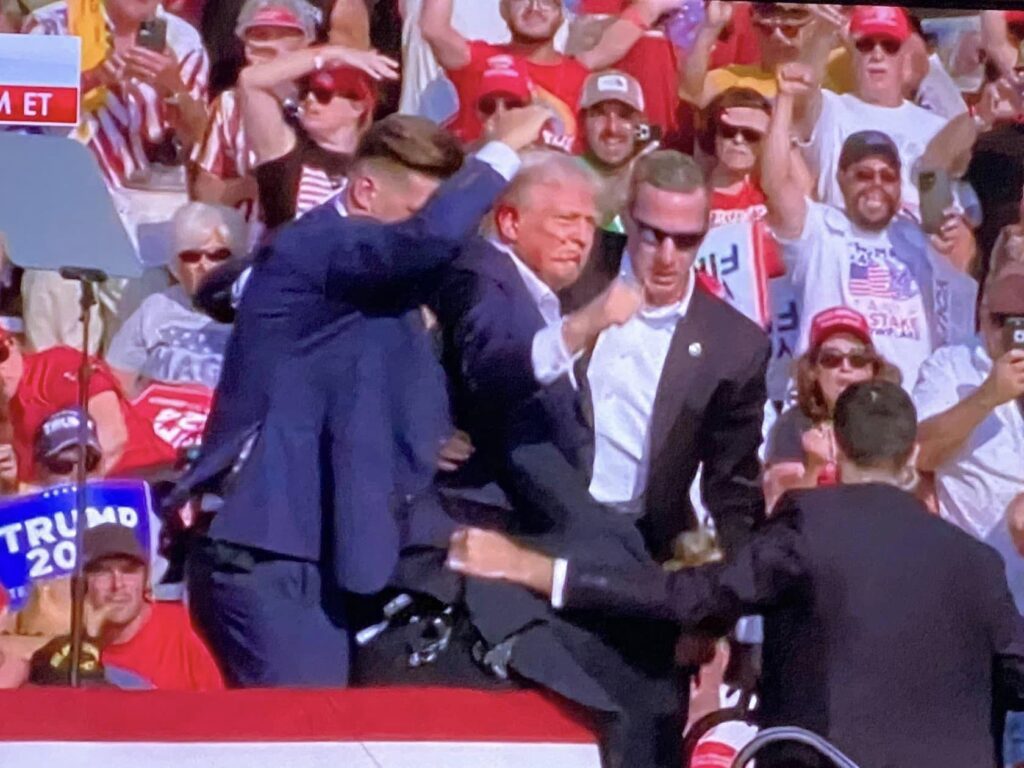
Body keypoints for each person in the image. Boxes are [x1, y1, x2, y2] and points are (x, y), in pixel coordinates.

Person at [449, 380, 1024, 768]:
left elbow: (690, 597)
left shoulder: (812, 525)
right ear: (910, 455)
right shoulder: (977, 560)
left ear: (837, 444)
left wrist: (536, 567)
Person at [172, 107, 548, 687]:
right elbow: (427, 242)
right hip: (265, 547)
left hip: (330, 545)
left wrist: (422, 426)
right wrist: (500, 151)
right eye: (417, 213)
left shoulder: (353, 270)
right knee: (304, 729)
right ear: (366, 191)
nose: (432, 234)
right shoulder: (320, 244)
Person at [763, 63, 977, 390]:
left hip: (906, 402)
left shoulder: (921, 236)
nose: (876, 184)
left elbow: (937, 161)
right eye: (863, 175)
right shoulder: (819, 230)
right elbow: (775, 182)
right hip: (832, 397)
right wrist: (785, 101)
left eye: (887, 176)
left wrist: (978, 117)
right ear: (841, 178)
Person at [420, 0, 680, 148]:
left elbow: (614, 42)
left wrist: (650, 8)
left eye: (547, 1)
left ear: (562, 14)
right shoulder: (477, 61)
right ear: (503, 10)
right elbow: (433, 28)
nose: (535, 7)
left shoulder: (579, 71)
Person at [914, 255, 1024, 594]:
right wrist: (988, 396)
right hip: (980, 584)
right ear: (983, 312)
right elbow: (920, 452)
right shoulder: (950, 365)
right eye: (1002, 320)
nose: (1012, 333)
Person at [792, 5, 951, 215]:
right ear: (853, 53)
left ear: (904, 56)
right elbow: (801, 87)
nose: (877, 54)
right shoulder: (830, 109)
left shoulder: (936, 129)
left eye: (889, 46)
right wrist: (822, 32)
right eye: (865, 45)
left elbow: (938, 216)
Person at [238, 43, 395, 229]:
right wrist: (330, 54)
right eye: (305, 92)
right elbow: (250, 81)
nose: (310, 100)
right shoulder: (287, 150)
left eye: (323, 93)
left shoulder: (375, 165)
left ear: (357, 106)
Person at [191, 0, 321, 223]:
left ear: (306, 44)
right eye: (260, 35)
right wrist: (250, 186)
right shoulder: (230, 104)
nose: (269, 45)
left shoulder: (322, 103)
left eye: (284, 35)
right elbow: (204, 191)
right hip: (246, 233)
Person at [765, 307, 900, 508]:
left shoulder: (893, 421)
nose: (846, 367)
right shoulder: (792, 425)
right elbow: (777, 507)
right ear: (813, 370)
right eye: (831, 359)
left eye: (858, 359)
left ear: (872, 369)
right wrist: (814, 468)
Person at [107, 203, 246, 396]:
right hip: (158, 411)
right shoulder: (154, 308)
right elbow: (116, 382)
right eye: (191, 256)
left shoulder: (254, 310)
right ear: (176, 263)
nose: (204, 266)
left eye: (218, 255)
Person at [0, 330, 170, 482]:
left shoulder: (56, 365)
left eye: (1, 355)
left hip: (147, 475)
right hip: (73, 496)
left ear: (13, 344)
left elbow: (113, 437)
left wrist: (63, 495)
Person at [81, 523, 224, 691]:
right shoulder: (67, 644)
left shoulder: (181, 628)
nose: (117, 584)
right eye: (102, 572)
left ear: (146, 579)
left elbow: (216, 704)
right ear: (82, 583)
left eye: (129, 571)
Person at [579, 69, 652, 230]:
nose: (612, 128)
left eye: (624, 115)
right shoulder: (563, 176)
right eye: (600, 114)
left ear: (640, 124)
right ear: (582, 122)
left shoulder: (654, 181)